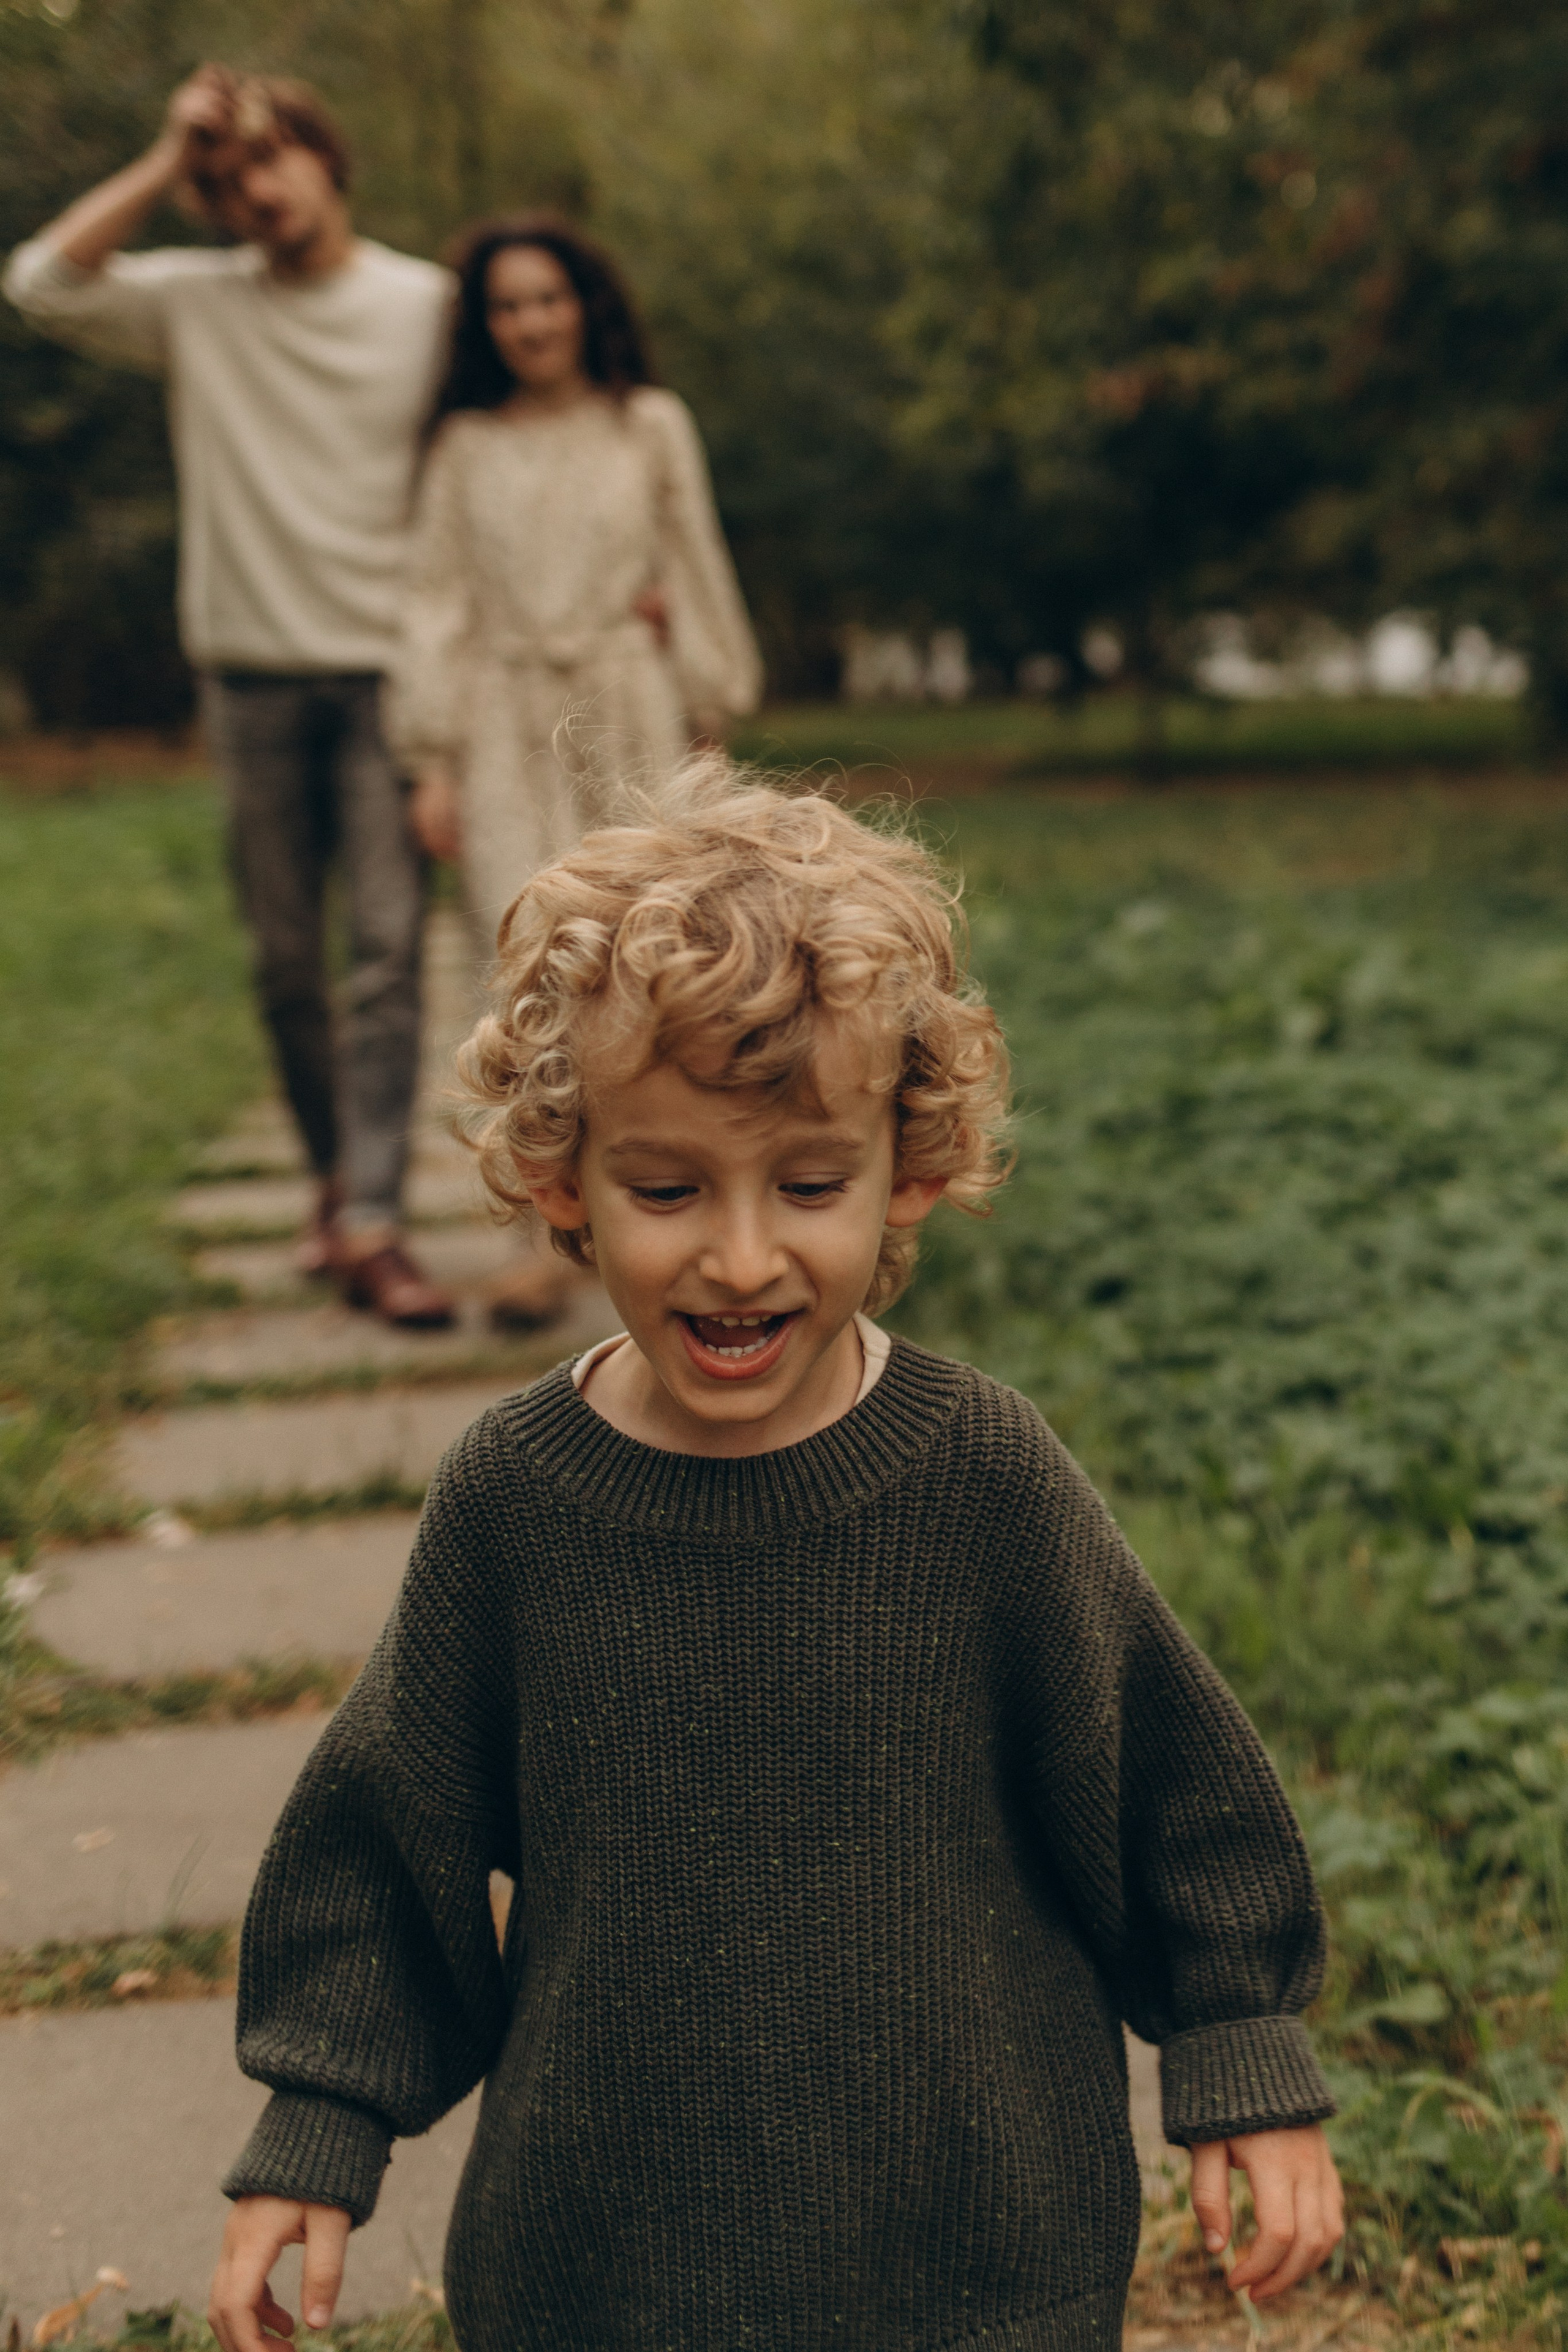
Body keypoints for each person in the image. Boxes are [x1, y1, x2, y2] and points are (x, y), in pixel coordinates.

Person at [207, 761, 1344, 2352]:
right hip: (605, 2268)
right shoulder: (518, 1503)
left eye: (811, 1185)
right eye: (666, 1188)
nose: (741, 1256)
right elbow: (393, 1830)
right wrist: (322, 2122)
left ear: (912, 1176)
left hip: (978, 2254)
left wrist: (1242, 2050)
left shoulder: (981, 1478)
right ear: (561, 1184)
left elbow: (1164, 1777)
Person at [4, 66, 456, 1327]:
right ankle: (331, 1184)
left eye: (270, 159)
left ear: (327, 159)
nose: (253, 190)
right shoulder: (197, 305)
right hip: (248, 675)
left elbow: (507, 437)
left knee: (383, 952)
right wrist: (164, 156)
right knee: (279, 961)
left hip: (386, 676)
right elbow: (39, 282)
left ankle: (374, 1217)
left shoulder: (427, 305)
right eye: (227, 177)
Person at [385, 216, 763, 1327]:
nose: (530, 323)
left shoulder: (648, 426)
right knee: (515, 966)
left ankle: (664, 1200)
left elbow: (695, 560)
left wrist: (710, 710)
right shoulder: (463, 448)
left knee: (652, 951)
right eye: (507, 306)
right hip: (503, 719)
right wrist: (432, 757)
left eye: (547, 298)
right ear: (485, 327)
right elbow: (434, 600)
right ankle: (532, 1234)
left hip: (630, 705)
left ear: (585, 305)